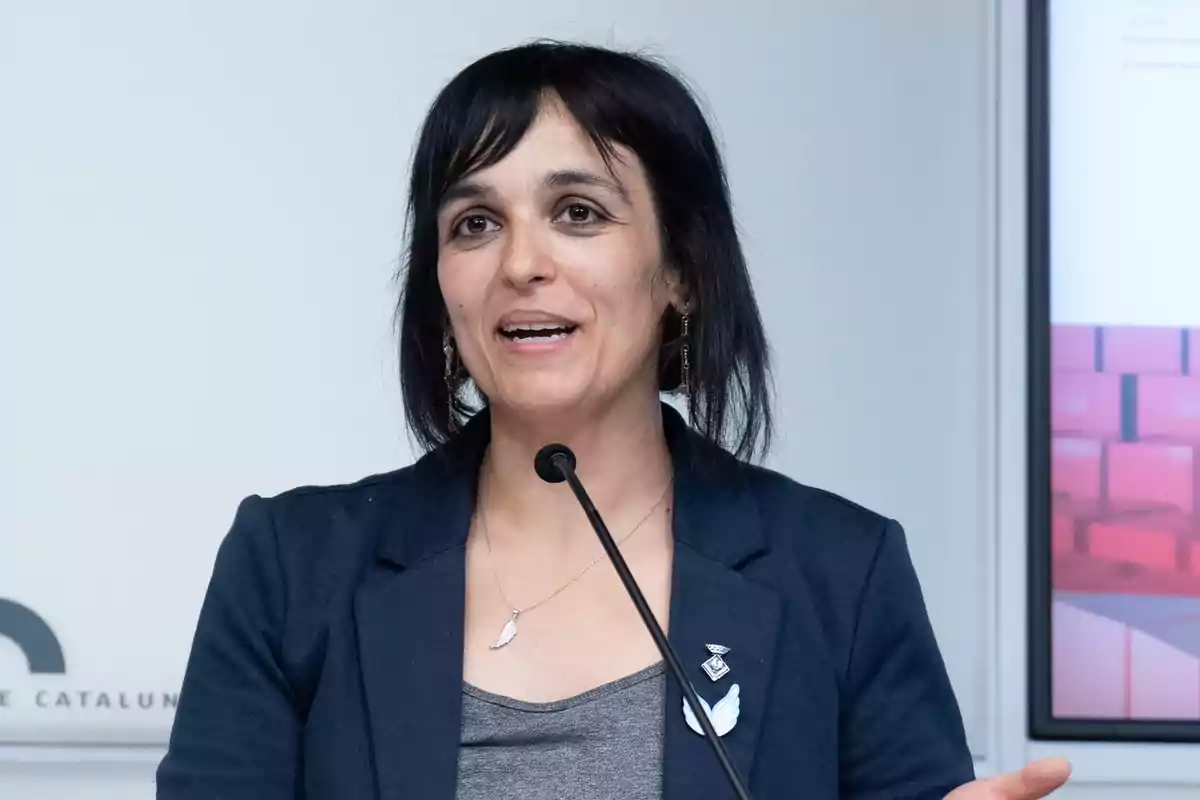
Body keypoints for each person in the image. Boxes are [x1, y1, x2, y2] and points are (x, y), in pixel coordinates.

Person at [156, 41, 1070, 799]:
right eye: (473, 223)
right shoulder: (289, 567)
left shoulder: (840, 575)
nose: (521, 263)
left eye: (577, 212)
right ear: (439, 286)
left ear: (680, 270)